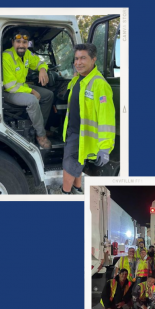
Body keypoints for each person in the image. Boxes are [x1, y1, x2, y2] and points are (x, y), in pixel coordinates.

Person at [51, 43, 115, 195]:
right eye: (76, 59)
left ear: (93, 59)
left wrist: (105, 147)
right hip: (73, 130)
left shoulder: (99, 84)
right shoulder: (78, 80)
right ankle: (78, 188)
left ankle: (65, 192)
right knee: (78, 161)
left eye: (83, 58)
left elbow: (107, 118)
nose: (78, 62)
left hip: (81, 134)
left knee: (69, 163)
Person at [3, 29, 54, 149]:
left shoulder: (27, 54)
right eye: (18, 41)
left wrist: (42, 69)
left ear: (28, 44)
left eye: (24, 43)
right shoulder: (7, 56)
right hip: (9, 91)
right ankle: (41, 136)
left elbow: (40, 62)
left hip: (21, 86)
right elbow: (10, 85)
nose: (21, 45)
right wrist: (31, 91)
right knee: (32, 100)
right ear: (13, 42)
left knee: (48, 95)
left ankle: (40, 128)